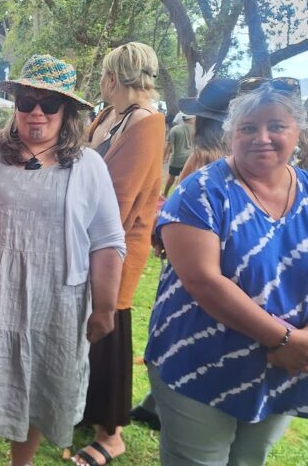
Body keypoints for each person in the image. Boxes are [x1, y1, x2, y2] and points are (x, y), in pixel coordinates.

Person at [0, 54, 126, 466]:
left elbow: (108, 240)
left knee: (38, 386)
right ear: (15, 105)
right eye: (27, 100)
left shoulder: (88, 165)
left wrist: (106, 307)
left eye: (49, 103)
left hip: (55, 301)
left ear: (68, 111)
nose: (36, 112)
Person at [145, 79, 308, 466]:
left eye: (276, 126)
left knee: (252, 459)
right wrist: (286, 340)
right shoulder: (201, 192)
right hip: (201, 363)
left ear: (297, 130)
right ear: (231, 133)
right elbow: (204, 281)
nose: (262, 137)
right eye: (249, 127)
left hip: (285, 368)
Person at [132, 77, 240, 431]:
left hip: (189, 272)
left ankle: (165, 405)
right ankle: (154, 405)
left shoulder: (203, 162)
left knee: (181, 338)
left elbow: (176, 218)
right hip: (229, 277)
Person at [78, 42, 165, 466]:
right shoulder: (112, 114)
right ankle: (88, 412)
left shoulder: (147, 122)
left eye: (103, 75)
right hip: (87, 237)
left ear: (113, 77)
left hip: (114, 245)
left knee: (109, 331)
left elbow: (121, 196)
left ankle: (109, 435)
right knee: (89, 332)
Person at [163, 113, 194, 197]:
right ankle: (177, 195)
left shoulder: (175, 129)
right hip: (189, 159)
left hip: (176, 158)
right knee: (185, 178)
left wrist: (164, 157)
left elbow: (169, 145)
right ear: (191, 119)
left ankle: (165, 194)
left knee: (171, 177)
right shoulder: (195, 130)